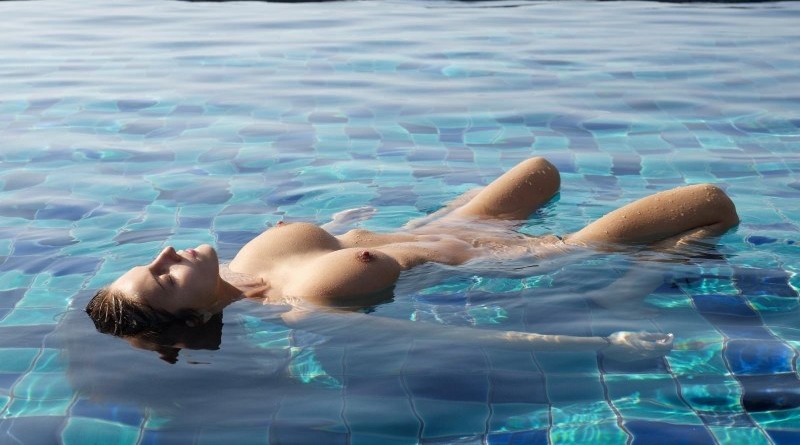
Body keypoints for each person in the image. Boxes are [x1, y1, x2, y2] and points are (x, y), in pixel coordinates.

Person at [86, 157, 739, 361]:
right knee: (710, 203)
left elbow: (335, 243)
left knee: (540, 170)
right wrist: (605, 340)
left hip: (451, 225)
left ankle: (658, 263)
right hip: (528, 257)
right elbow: (465, 340)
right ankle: (633, 284)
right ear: (195, 321)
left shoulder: (242, 264)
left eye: (156, 257)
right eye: (163, 275)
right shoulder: (304, 307)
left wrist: (345, 226)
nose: (167, 252)